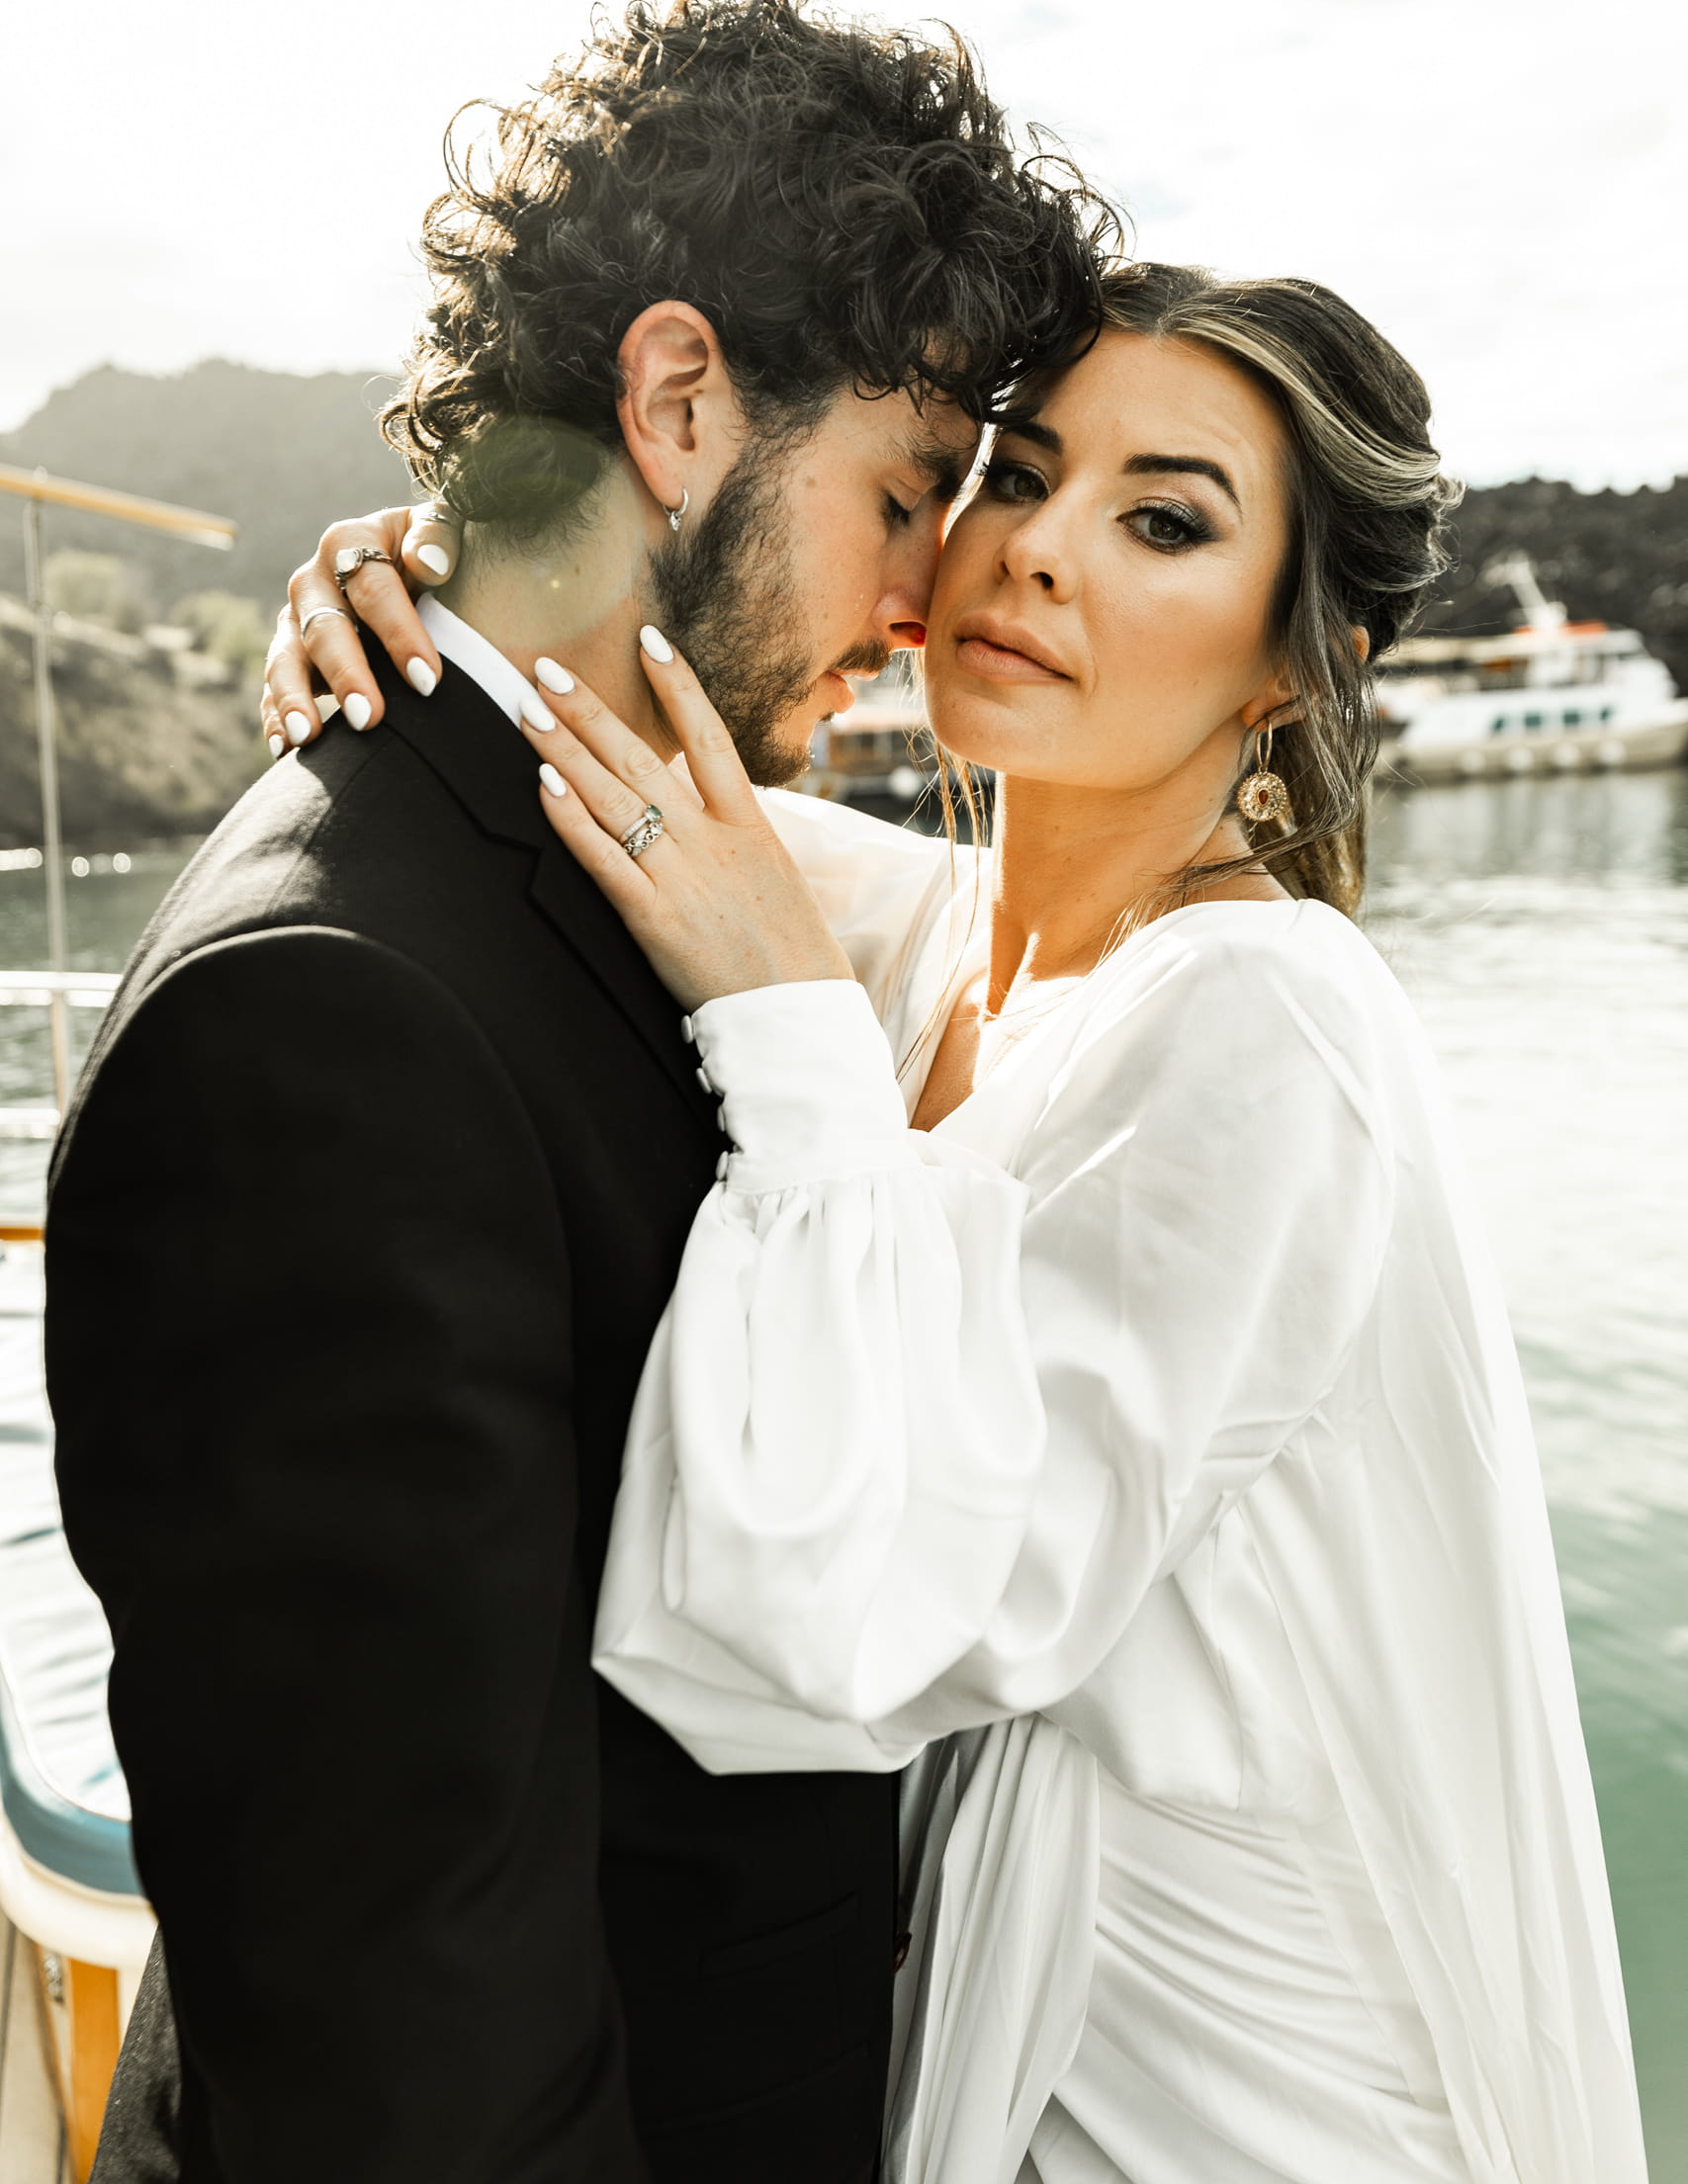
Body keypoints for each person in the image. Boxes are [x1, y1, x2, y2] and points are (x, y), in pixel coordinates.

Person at [281, 262, 1647, 2182]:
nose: (1040, 552)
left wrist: (777, 1036)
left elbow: (857, 1615)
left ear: (1291, 662)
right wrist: (434, 580)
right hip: (988, 1997)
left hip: (1228, 2093)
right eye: (1014, 473)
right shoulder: (922, 932)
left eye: (1161, 518)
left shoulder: (1270, 1015)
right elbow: (594, 765)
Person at [45, 0, 1106, 2184]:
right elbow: (408, 2036)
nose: (931, 599)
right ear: (680, 396)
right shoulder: (321, 1027)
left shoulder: (617, 829)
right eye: (906, 492)